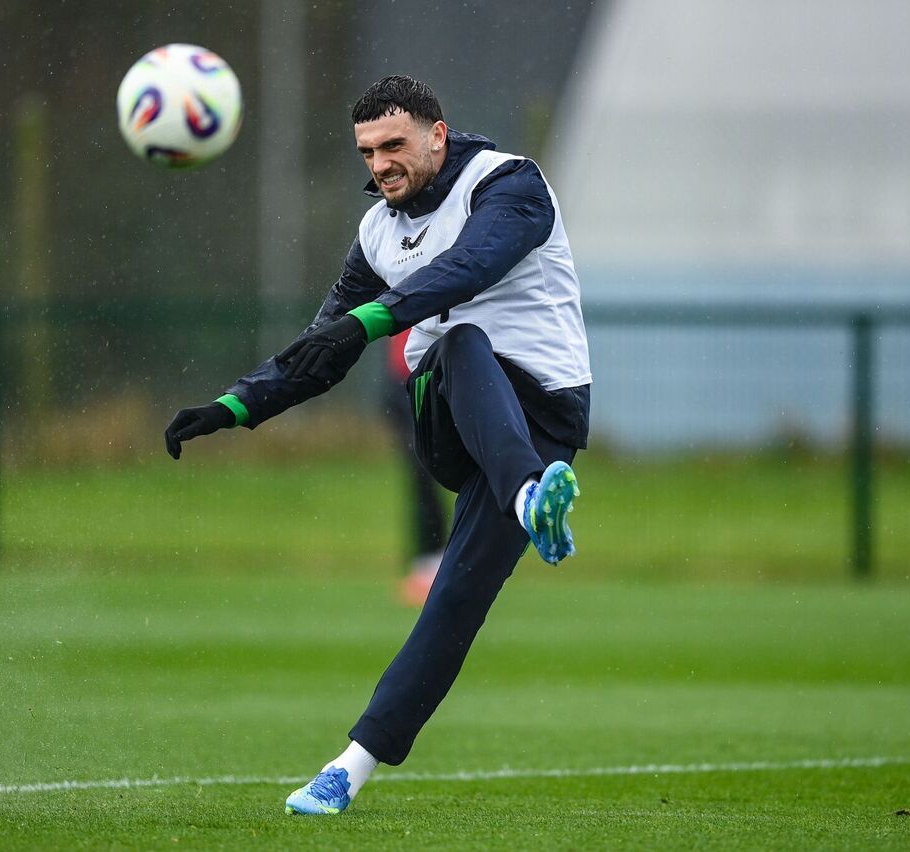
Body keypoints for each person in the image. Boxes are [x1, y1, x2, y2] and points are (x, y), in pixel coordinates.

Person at [164, 75, 591, 815]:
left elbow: (469, 267)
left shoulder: (511, 185)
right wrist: (234, 406)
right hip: (455, 421)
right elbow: (320, 351)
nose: (380, 164)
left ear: (438, 134)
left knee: (454, 600)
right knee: (457, 346)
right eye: (367, 151)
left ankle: (345, 770)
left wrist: (371, 320)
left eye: (394, 145)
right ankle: (531, 498)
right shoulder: (377, 233)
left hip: (546, 417)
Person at [383, 327, 447, 606]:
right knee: (421, 474)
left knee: (438, 471)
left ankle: (443, 560)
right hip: (404, 378)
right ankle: (429, 561)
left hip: (440, 373)